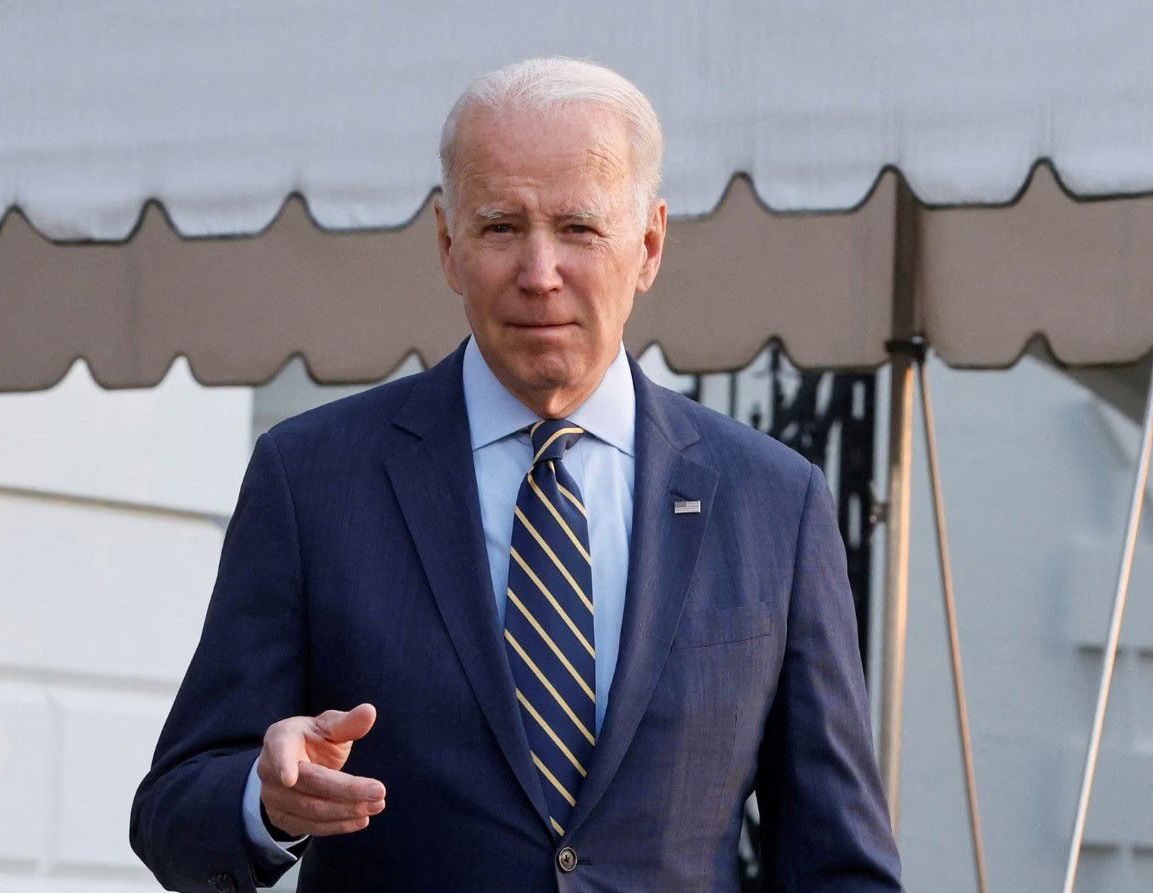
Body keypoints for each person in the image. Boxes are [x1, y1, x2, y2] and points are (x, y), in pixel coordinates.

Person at [130, 57, 902, 892]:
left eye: (577, 228)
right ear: (447, 245)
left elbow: (839, 863)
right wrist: (265, 798)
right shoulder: (313, 478)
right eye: (501, 227)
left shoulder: (771, 503)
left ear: (647, 245)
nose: (540, 273)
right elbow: (173, 813)